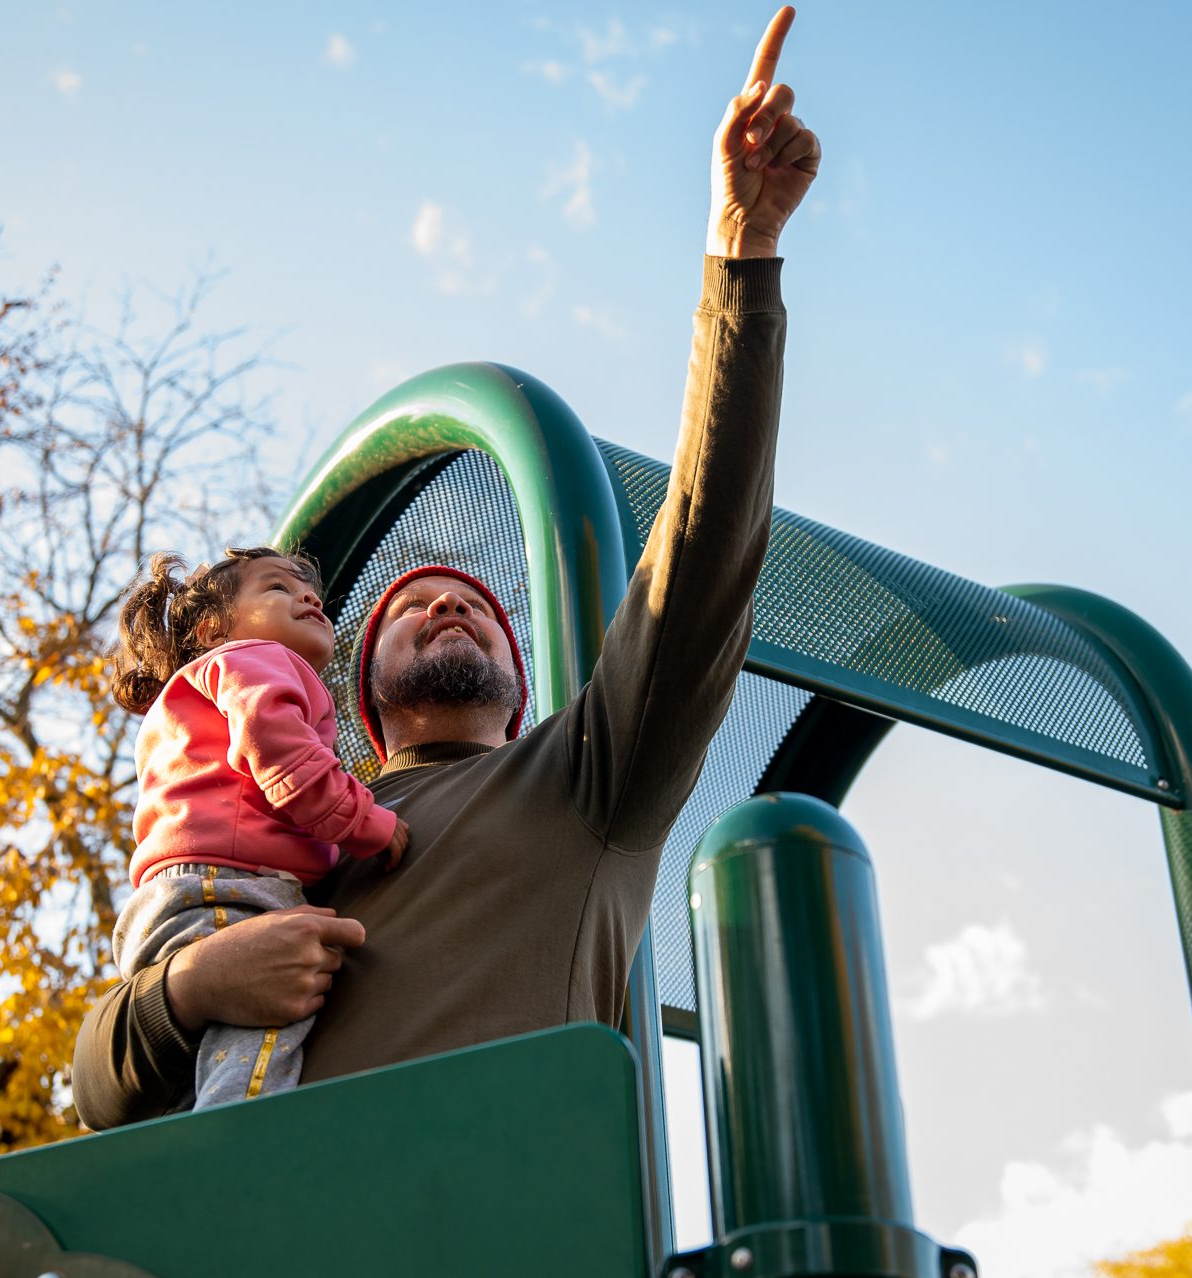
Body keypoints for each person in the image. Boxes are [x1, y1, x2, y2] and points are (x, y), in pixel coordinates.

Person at [73, 6, 819, 1129]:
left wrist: (741, 254)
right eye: (409, 605)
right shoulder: (298, 834)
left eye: (473, 604)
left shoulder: (585, 781)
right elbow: (97, 1085)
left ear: (522, 691)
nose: (443, 604)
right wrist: (193, 988)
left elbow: (704, 556)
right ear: (359, 705)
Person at [105, 547, 410, 1108]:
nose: (308, 597)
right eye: (277, 588)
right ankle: (243, 1144)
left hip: (182, 892)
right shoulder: (255, 659)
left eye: (310, 590)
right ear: (212, 628)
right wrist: (365, 822)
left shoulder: (201, 692)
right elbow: (281, 755)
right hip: (229, 887)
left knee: (211, 1059)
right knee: (267, 1026)